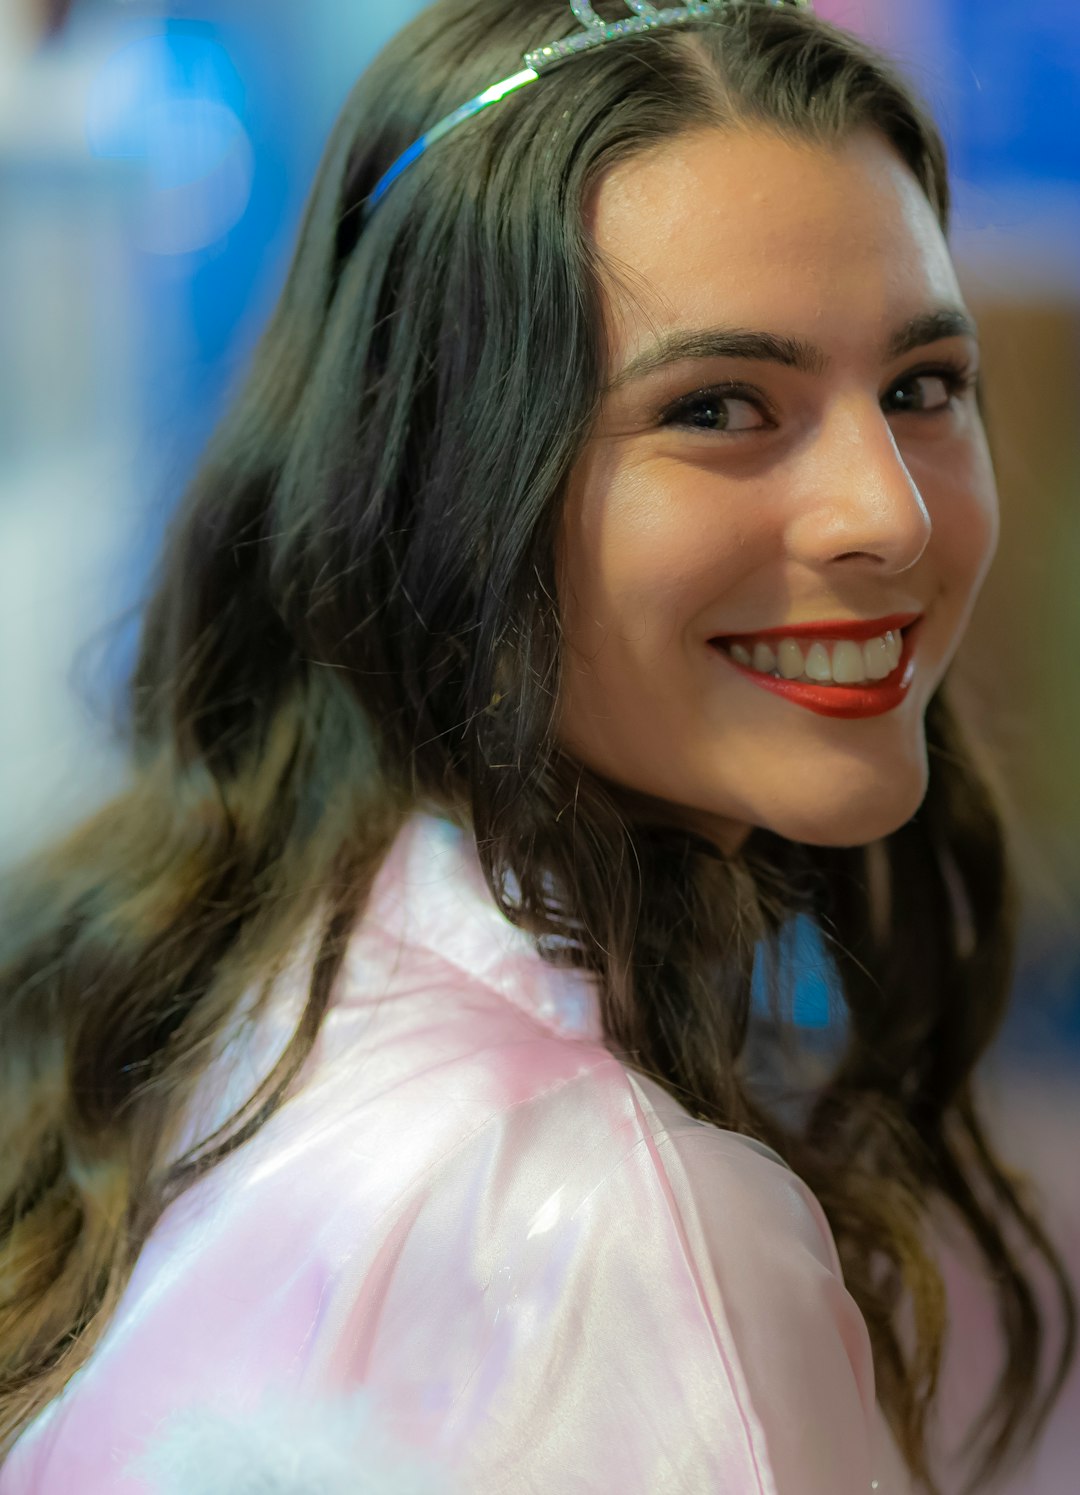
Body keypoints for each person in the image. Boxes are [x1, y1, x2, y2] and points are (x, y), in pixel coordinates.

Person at [0, 0, 1075, 1490]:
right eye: (718, 407)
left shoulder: (252, 960)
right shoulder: (609, 1230)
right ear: (442, 477)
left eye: (921, 387)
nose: (887, 514)